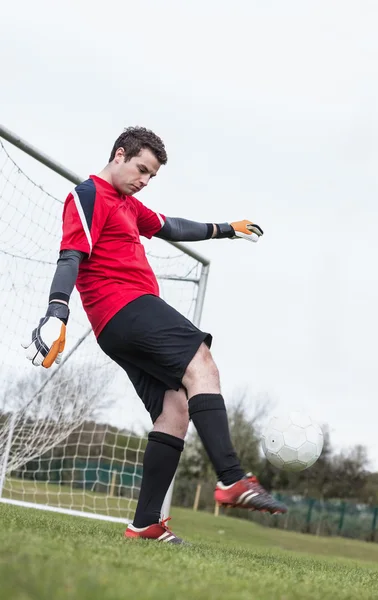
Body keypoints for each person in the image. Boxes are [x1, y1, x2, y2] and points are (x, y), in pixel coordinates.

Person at [23, 126, 287, 544]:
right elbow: (70, 254)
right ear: (119, 154)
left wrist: (224, 228)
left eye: (152, 176)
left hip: (121, 324)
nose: (144, 181)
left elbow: (169, 226)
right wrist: (57, 310)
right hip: (123, 307)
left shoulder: (128, 204)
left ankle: (145, 523)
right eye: (141, 170)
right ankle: (233, 479)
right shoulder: (88, 195)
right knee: (201, 362)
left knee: (174, 410)